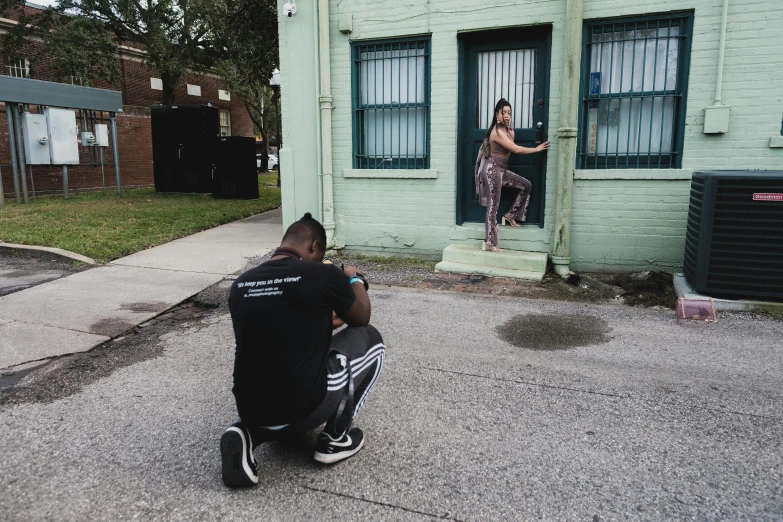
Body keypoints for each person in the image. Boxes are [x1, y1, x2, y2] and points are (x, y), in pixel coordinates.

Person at [220, 213, 385, 488]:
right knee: (371, 340)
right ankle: (335, 439)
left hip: (251, 409)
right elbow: (361, 317)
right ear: (313, 246)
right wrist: (355, 279)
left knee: (270, 383)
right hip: (303, 409)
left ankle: (245, 432)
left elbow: (302, 324)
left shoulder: (242, 285)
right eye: (319, 255)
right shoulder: (322, 273)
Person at [476, 98, 550, 252]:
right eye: (504, 112)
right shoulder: (496, 132)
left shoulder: (510, 131)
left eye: (509, 112)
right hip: (492, 170)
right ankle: (490, 242)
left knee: (526, 185)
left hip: (502, 169)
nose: (507, 115)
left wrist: (509, 129)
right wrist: (536, 149)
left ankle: (510, 215)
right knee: (493, 206)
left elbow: (510, 146)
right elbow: (515, 149)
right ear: (497, 114)